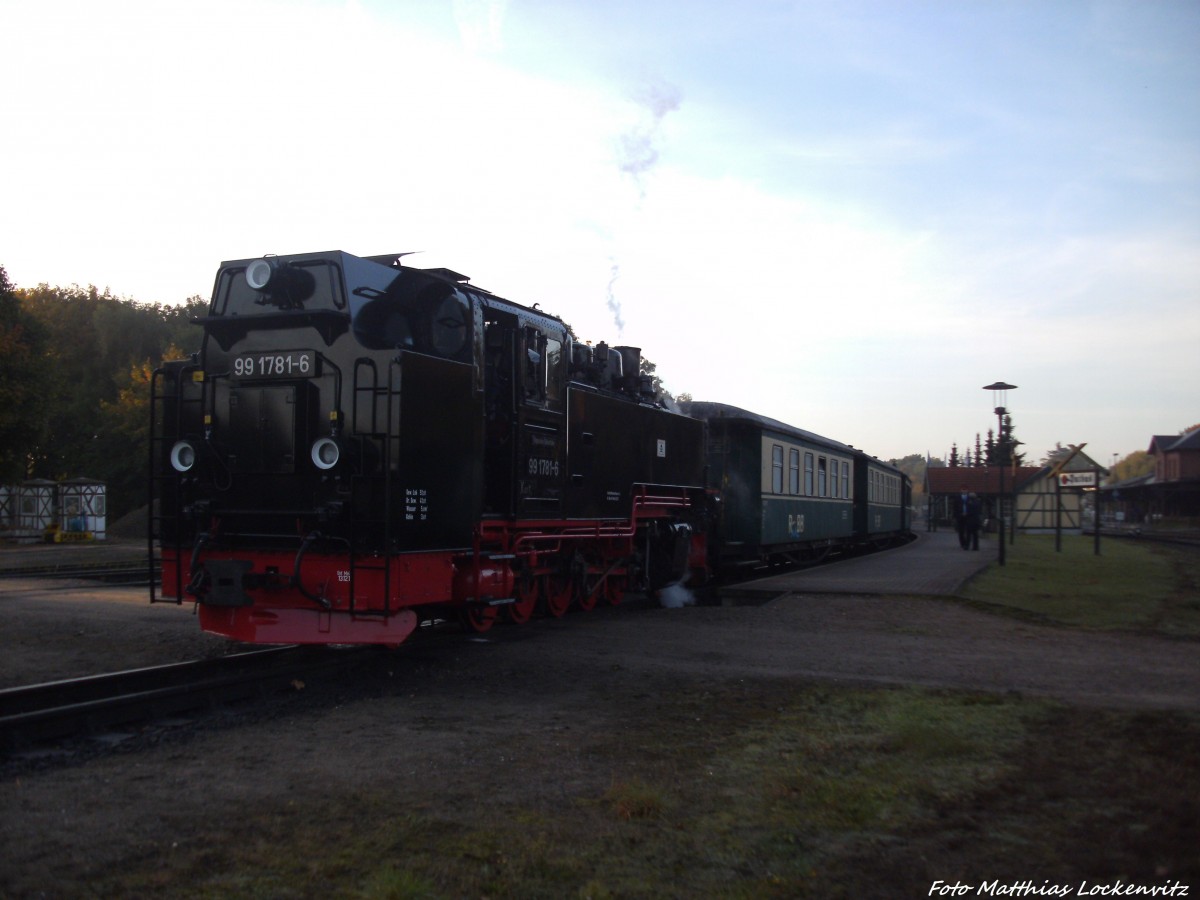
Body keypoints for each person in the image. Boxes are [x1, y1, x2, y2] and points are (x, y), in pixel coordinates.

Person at [953, 486, 981, 550]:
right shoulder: (978, 503)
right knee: (975, 534)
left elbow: (969, 511)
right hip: (976, 520)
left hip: (969, 520)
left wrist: (965, 514)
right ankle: (975, 547)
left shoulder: (969, 503)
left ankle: (967, 546)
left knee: (968, 534)